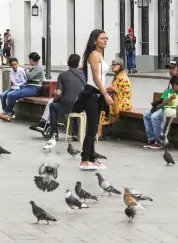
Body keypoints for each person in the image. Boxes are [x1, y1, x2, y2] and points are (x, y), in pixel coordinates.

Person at [80, 29, 111, 171]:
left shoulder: (100, 54)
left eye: (106, 38)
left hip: (97, 93)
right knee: (92, 129)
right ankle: (85, 159)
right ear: (95, 40)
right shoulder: (93, 55)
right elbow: (95, 78)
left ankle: (92, 158)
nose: (105, 40)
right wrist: (106, 94)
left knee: (94, 126)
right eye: (102, 38)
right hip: (92, 93)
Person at [43, 54, 86, 150]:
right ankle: (75, 133)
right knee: (75, 105)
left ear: (68, 63)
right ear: (78, 63)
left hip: (67, 105)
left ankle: (54, 132)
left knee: (53, 106)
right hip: (81, 105)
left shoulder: (62, 75)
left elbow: (58, 93)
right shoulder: (83, 75)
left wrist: (55, 99)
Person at [142, 60, 178, 148]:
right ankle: (151, 139)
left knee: (154, 117)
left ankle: (160, 141)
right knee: (147, 114)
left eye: (173, 68)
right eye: (169, 68)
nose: (170, 70)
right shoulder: (173, 79)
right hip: (167, 105)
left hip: (174, 108)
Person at [0, 54, 43, 121]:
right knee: (9, 94)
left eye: (29, 60)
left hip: (34, 88)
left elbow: (29, 77)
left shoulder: (38, 67)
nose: (29, 62)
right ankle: (8, 113)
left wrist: (26, 70)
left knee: (12, 95)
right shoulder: (34, 66)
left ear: (31, 59)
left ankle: (6, 113)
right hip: (29, 87)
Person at [98, 58, 132, 139]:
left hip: (123, 102)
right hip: (119, 100)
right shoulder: (119, 75)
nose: (112, 66)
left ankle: (100, 133)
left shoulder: (121, 77)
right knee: (103, 104)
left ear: (120, 66)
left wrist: (102, 90)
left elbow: (111, 88)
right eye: (112, 64)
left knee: (102, 108)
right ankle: (106, 132)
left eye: (115, 65)